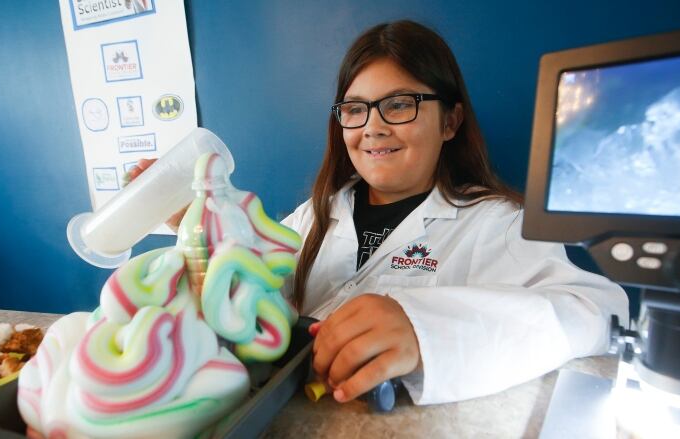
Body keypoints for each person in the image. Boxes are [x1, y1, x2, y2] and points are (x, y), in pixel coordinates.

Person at [136, 19, 628, 406]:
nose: (371, 128)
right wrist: (201, 226)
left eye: (399, 104)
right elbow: (257, 282)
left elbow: (599, 314)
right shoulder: (319, 213)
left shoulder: (497, 222)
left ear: (450, 120)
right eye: (355, 109)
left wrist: (425, 328)